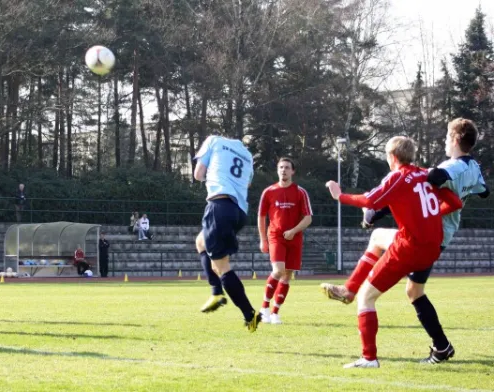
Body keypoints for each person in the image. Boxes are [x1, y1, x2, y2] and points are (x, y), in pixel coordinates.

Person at [321, 119, 489, 364]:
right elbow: (471, 196)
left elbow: (384, 196)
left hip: (418, 239)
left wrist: (342, 197)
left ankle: (367, 351)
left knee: (367, 295)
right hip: (436, 240)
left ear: (392, 156)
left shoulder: (442, 168)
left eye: (446, 136)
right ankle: (442, 347)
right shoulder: (469, 167)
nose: (443, 140)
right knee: (411, 286)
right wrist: (431, 209)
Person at [194, 134, 261, 332]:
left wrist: (213, 174)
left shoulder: (213, 140)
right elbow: (247, 184)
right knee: (201, 242)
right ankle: (216, 290)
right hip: (239, 212)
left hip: (219, 204)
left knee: (222, 266)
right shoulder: (247, 155)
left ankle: (248, 313)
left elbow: (198, 174)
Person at [258, 157, 313, 325]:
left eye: (287, 167)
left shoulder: (300, 192)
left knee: (288, 274)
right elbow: (261, 217)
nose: (284, 170)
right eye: (281, 167)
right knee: (278, 270)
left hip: (294, 238)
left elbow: (308, 218)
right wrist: (263, 240)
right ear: (277, 170)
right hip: (275, 236)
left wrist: (294, 231)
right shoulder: (268, 192)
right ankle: (264, 308)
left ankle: (275, 313)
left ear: (292, 171)